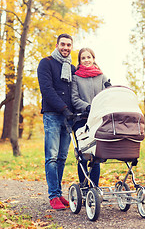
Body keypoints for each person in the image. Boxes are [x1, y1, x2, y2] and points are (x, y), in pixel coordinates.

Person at [37, 34, 76, 210]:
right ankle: (53, 195)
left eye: (68, 45)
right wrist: (63, 108)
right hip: (53, 114)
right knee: (51, 157)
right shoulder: (46, 63)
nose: (65, 47)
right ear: (57, 45)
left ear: (71, 47)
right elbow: (47, 90)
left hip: (68, 118)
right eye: (63, 44)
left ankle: (59, 193)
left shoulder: (72, 67)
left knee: (62, 157)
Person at [71, 48, 110, 187]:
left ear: (93, 58)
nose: (86, 60)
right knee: (83, 155)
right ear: (80, 61)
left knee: (96, 155)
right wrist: (88, 107)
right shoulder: (76, 77)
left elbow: (107, 95)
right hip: (82, 120)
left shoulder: (102, 77)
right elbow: (74, 99)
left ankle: (94, 188)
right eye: (83, 58)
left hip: (98, 121)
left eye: (89, 57)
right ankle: (83, 186)